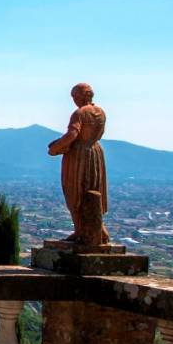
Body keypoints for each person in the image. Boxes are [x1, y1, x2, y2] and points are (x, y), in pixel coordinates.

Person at [46, 82, 110, 247]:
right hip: (95, 152)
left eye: (75, 96)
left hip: (79, 155)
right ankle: (95, 229)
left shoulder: (79, 113)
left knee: (75, 192)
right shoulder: (101, 113)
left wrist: (55, 147)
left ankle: (83, 230)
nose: (74, 100)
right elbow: (100, 134)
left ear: (81, 96)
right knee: (92, 190)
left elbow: (72, 134)